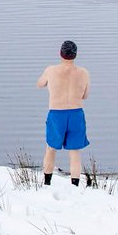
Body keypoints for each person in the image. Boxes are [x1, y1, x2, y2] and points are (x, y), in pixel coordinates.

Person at [37, 40, 91, 186]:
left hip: (56, 113)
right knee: (75, 152)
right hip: (76, 113)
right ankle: (75, 185)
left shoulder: (51, 70)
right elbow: (85, 96)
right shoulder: (84, 72)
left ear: (60, 53)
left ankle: (47, 183)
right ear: (75, 55)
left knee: (51, 149)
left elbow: (39, 84)